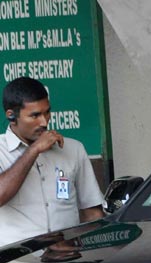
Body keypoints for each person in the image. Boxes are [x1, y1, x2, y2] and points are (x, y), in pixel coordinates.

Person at [0, 77, 104, 247]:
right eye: (35, 115)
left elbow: (92, 212)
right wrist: (33, 150)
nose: (44, 121)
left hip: (67, 256)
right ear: (11, 115)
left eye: (47, 112)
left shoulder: (73, 149)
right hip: (16, 260)